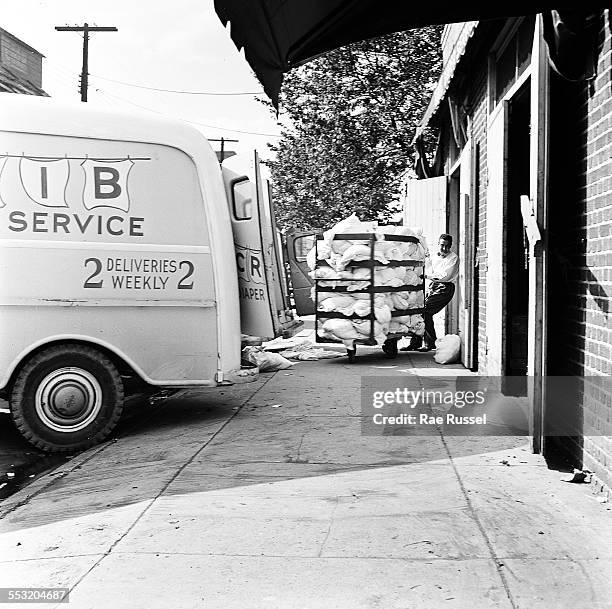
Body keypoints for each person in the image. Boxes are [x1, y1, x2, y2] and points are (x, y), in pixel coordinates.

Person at [401, 233, 459, 352]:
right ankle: (415, 343)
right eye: (442, 245)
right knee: (419, 310)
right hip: (434, 286)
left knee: (426, 311)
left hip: (445, 288)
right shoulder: (435, 257)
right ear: (438, 244)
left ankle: (430, 343)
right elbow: (427, 268)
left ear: (451, 246)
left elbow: (446, 276)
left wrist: (428, 276)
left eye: (447, 246)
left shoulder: (453, 258)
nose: (444, 249)